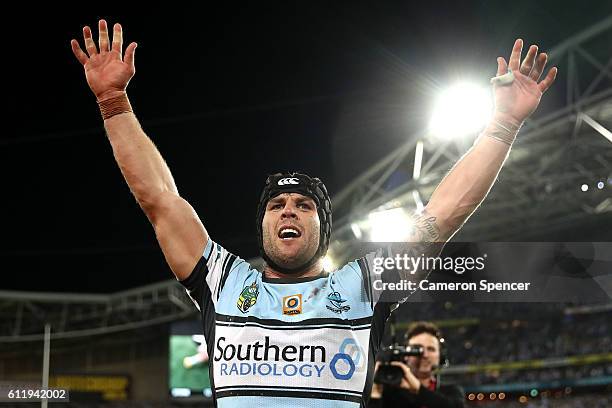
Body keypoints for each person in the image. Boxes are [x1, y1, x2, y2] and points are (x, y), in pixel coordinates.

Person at [71, 19, 557, 408]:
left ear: (323, 228)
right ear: (261, 223)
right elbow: (159, 198)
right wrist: (114, 102)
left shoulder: (363, 288)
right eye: (278, 205)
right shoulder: (222, 282)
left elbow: (443, 214)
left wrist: (503, 124)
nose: (289, 211)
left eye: (304, 206)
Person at [370, 322, 464, 408]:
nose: (424, 355)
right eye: (416, 349)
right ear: (405, 355)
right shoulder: (388, 392)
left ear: (441, 356)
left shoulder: (451, 391)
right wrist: (375, 393)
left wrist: (417, 388)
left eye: (431, 349)